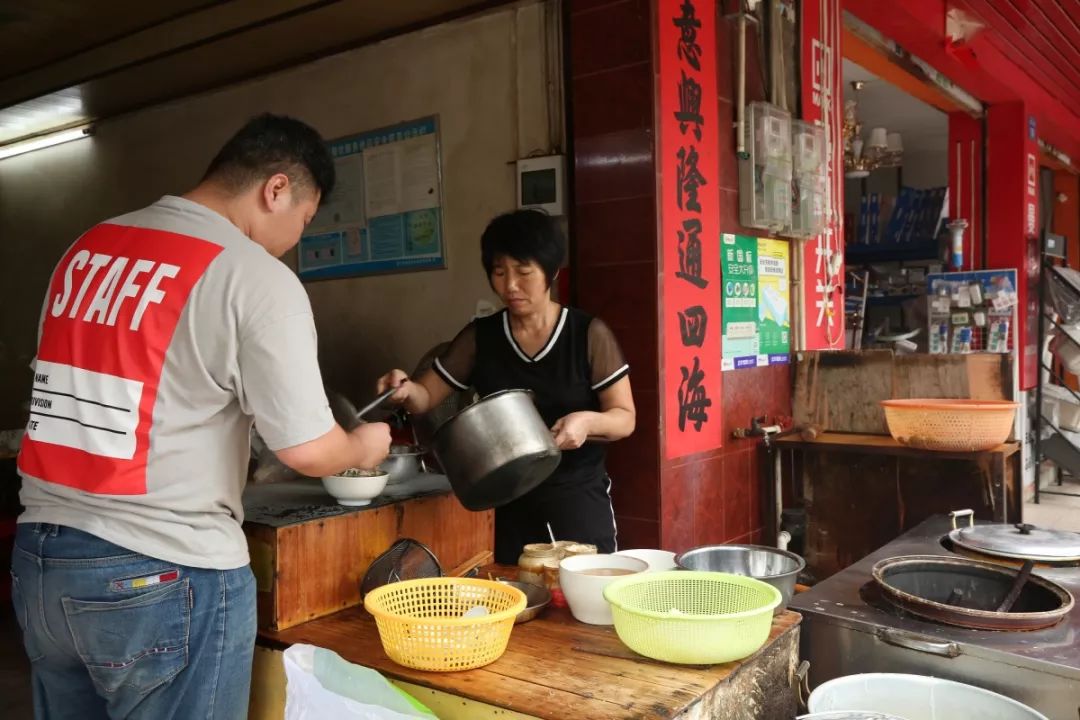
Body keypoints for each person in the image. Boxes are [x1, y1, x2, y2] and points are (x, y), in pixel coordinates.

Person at [12, 114, 391, 720]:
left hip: (42, 564)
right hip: (163, 569)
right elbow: (307, 448)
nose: (296, 237)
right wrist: (362, 447)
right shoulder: (253, 276)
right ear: (276, 190)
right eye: (305, 219)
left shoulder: (86, 250)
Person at [377, 209, 635, 564]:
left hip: (576, 499)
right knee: (513, 600)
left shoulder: (587, 334)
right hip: (505, 501)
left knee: (582, 605)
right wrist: (404, 390)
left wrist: (588, 422)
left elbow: (624, 418)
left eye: (523, 272)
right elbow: (425, 397)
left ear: (551, 270)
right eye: (499, 273)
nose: (510, 286)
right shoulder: (481, 337)